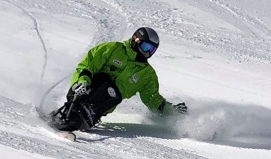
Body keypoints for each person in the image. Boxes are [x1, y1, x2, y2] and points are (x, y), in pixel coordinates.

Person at [49, 27, 188, 132]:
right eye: (146, 47)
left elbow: (152, 99)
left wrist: (172, 111)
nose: (147, 53)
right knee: (105, 81)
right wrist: (83, 80)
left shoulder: (147, 74)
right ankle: (66, 116)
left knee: (113, 92)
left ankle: (80, 119)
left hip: (101, 107)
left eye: (152, 50)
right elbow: (88, 64)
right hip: (83, 89)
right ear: (136, 40)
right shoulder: (113, 49)